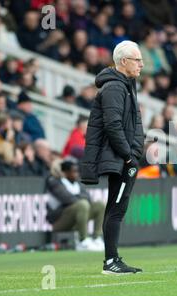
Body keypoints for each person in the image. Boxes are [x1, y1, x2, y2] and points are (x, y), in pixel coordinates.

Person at [80, 40, 145, 275]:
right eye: (137, 60)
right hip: (119, 158)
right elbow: (113, 126)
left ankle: (113, 259)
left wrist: (136, 151)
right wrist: (129, 156)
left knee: (116, 207)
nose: (141, 64)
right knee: (116, 209)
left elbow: (134, 124)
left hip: (125, 157)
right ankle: (110, 261)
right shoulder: (115, 88)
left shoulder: (126, 84)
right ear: (124, 61)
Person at [46, 159, 105, 252]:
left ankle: (97, 238)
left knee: (99, 205)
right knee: (82, 204)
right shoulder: (55, 182)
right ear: (65, 173)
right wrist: (80, 198)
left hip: (77, 217)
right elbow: (67, 199)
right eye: (74, 171)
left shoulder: (77, 183)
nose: (77, 174)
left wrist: (78, 198)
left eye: (77, 171)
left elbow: (88, 198)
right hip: (59, 221)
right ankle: (83, 241)